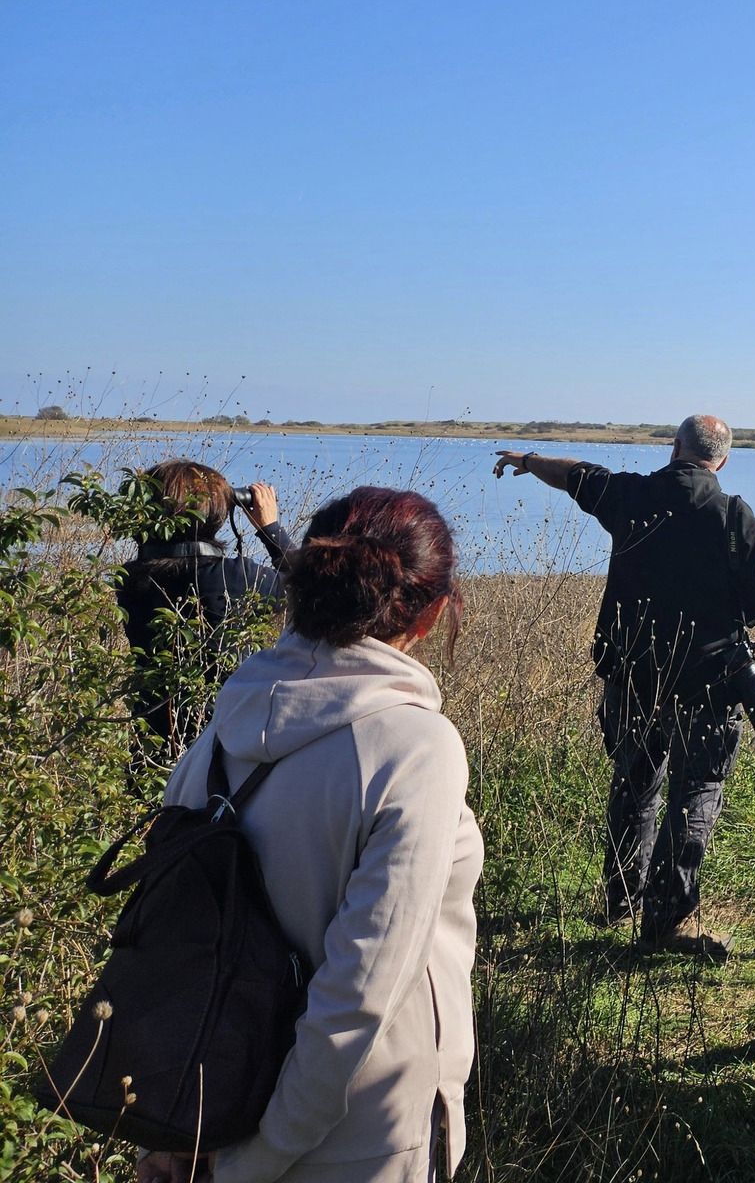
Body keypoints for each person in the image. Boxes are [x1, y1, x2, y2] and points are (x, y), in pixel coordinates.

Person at [138, 487, 481, 1183]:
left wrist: (178, 1135)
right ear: (432, 612)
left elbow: (170, 948)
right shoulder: (416, 749)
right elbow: (359, 997)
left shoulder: (219, 735)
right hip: (362, 1141)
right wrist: (255, 1161)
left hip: (213, 1115)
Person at [493, 415, 755, 955]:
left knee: (634, 783)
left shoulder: (631, 496)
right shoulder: (733, 516)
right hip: (707, 684)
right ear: (723, 460)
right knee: (695, 792)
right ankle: (664, 921)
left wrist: (527, 461)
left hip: (630, 675)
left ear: (675, 447)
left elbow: (576, 474)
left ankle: (621, 899)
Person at [114, 459, 293, 761]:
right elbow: (308, 587)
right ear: (215, 512)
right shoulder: (235, 577)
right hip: (224, 746)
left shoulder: (130, 579)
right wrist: (270, 528)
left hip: (152, 748)